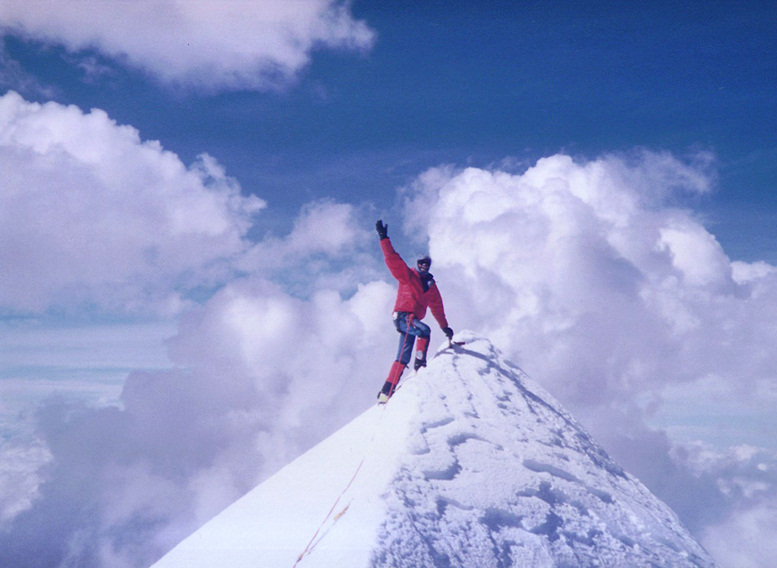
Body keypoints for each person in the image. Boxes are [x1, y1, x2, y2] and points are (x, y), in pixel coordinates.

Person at [376, 219, 453, 402]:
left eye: (427, 263)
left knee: (403, 356)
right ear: (418, 264)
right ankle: (420, 364)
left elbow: (437, 308)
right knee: (424, 331)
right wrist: (383, 238)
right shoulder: (408, 276)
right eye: (421, 263)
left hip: (412, 321)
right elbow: (393, 260)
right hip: (403, 317)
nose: (424, 266)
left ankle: (386, 392)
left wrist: (445, 327)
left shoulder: (431, 286)